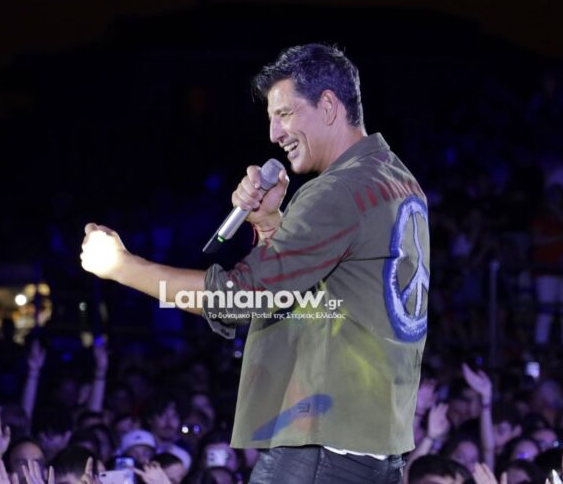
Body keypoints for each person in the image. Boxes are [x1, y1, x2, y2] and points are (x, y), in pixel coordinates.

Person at [80, 44, 429, 483]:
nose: (273, 133)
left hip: (322, 450)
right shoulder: (397, 178)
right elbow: (324, 294)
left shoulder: (336, 191)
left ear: (327, 106)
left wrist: (121, 266)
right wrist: (269, 224)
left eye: (284, 114)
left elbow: (239, 299)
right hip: (377, 450)